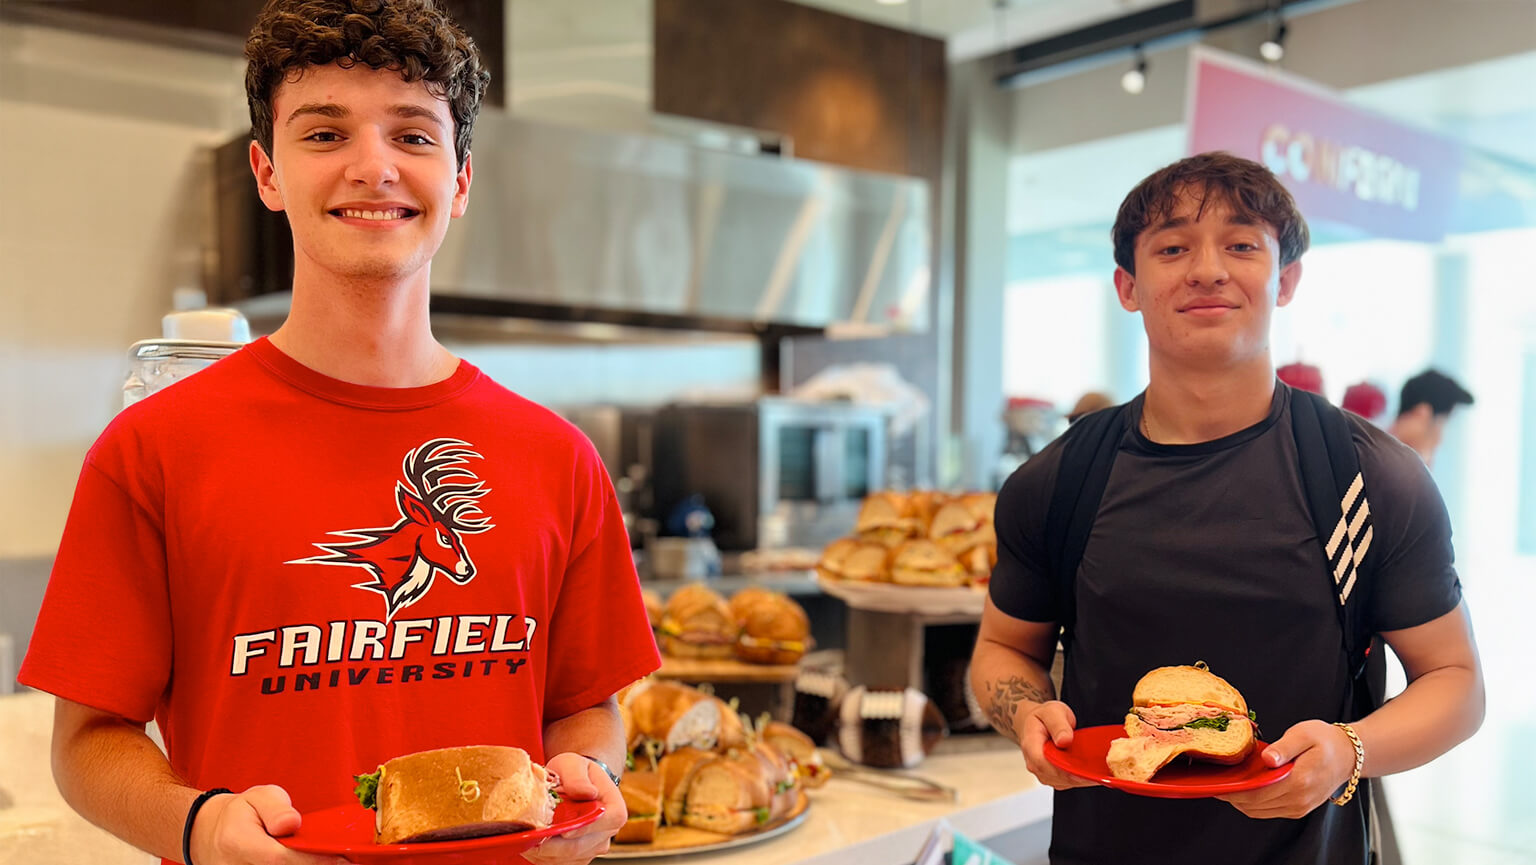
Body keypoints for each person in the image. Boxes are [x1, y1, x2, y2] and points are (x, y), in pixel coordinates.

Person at [18, 2, 660, 864]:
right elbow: (88, 739)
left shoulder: (558, 457)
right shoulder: (152, 450)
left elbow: (588, 705)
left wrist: (585, 776)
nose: (373, 167)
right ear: (267, 172)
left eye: (415, 136)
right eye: (324, 134)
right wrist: (202, 826)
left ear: (462, 178)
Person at [971, 152, 1483, 865]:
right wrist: (1025, 711)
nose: (1207, 269)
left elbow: (1456, 683)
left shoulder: (1366, 477)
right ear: (1128, 285)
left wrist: (1349, 748)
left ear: (1286, 278)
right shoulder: (1058, 480)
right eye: (1172, 247)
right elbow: (1003, 649)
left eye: (1242, 245)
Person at [1388, 369, 1474, 466]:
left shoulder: (1378, 452)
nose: (1439, 440)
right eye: (1443, 424)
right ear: (1422, 414)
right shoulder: (1386, 467)